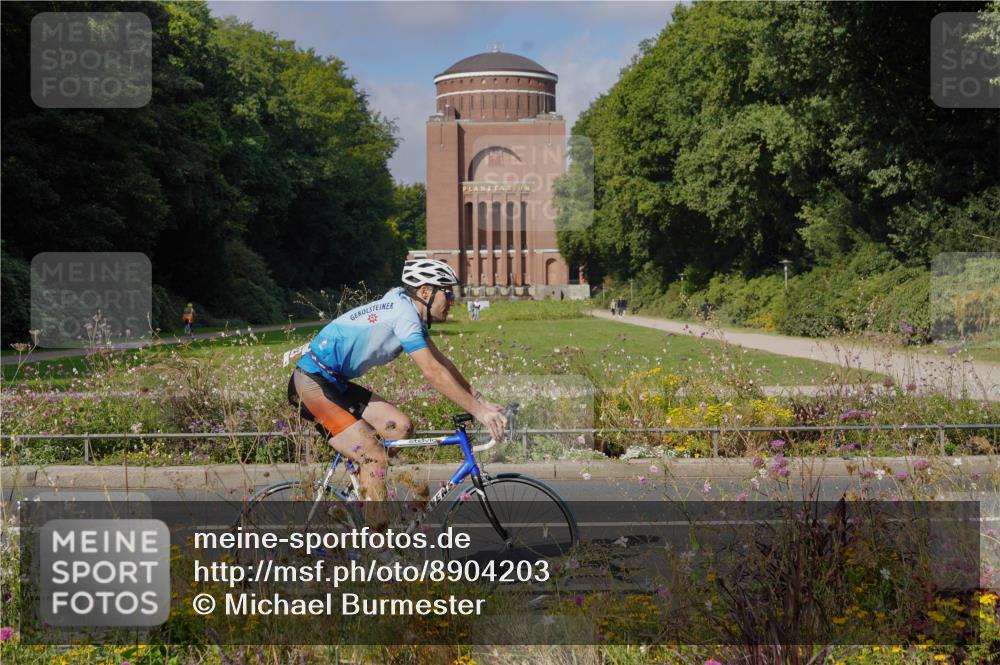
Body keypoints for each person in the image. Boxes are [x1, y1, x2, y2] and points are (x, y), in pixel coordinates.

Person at [287, 259, 507, 528]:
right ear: (425, 292)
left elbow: (442, 363)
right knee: (375, 455)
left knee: (400, 428)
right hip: (310, 382)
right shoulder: (403, 314)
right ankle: (380, 551)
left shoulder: (405, 305)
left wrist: (481, 400)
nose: (452, 300)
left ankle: (362, 492)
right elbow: (432, 373)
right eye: (447, 293)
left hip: (334, 382)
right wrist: (479, 412)